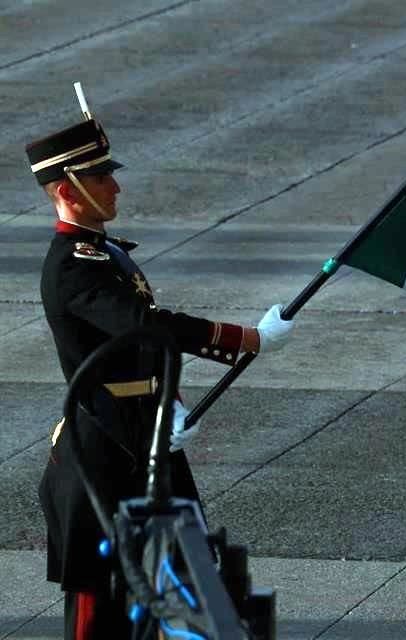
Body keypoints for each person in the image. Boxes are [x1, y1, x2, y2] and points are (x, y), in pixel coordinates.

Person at [25, 99, 295, 639]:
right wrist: (246, 339)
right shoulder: (76, 265)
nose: (114, 187)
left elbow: (134, 351)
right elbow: (145, 326)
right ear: (64, 190)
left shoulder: (105, 253)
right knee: (98, 603)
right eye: (100, 178)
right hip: (101, 450)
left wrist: (166, 400)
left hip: (142, 435)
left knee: (181, 580)